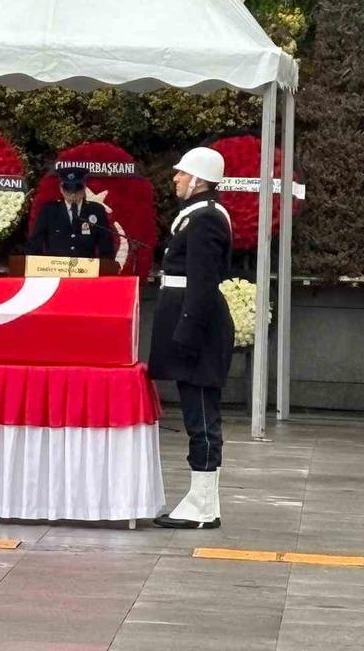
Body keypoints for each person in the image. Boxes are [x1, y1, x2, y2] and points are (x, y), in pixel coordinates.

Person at [149, 147, 233, 529]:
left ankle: (201, 505)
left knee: (200, 416)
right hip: (192, 326)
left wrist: (185, 335)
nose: (176, 178)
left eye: (182, 173)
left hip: (198, 331)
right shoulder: (197, 215)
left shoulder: (206, 219)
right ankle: (204, 504)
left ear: (198, 180)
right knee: (198, 414)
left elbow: (202, 284)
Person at [26, 167, 113, 259]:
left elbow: (106, 248)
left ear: (84, 187)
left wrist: (104, 265)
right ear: (61, 189)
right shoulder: (49, 211)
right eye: (68, 191)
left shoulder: (96, 210)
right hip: (55, 266)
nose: (73, 195)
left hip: (86, 267)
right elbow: (35, 245)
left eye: (77, 190)